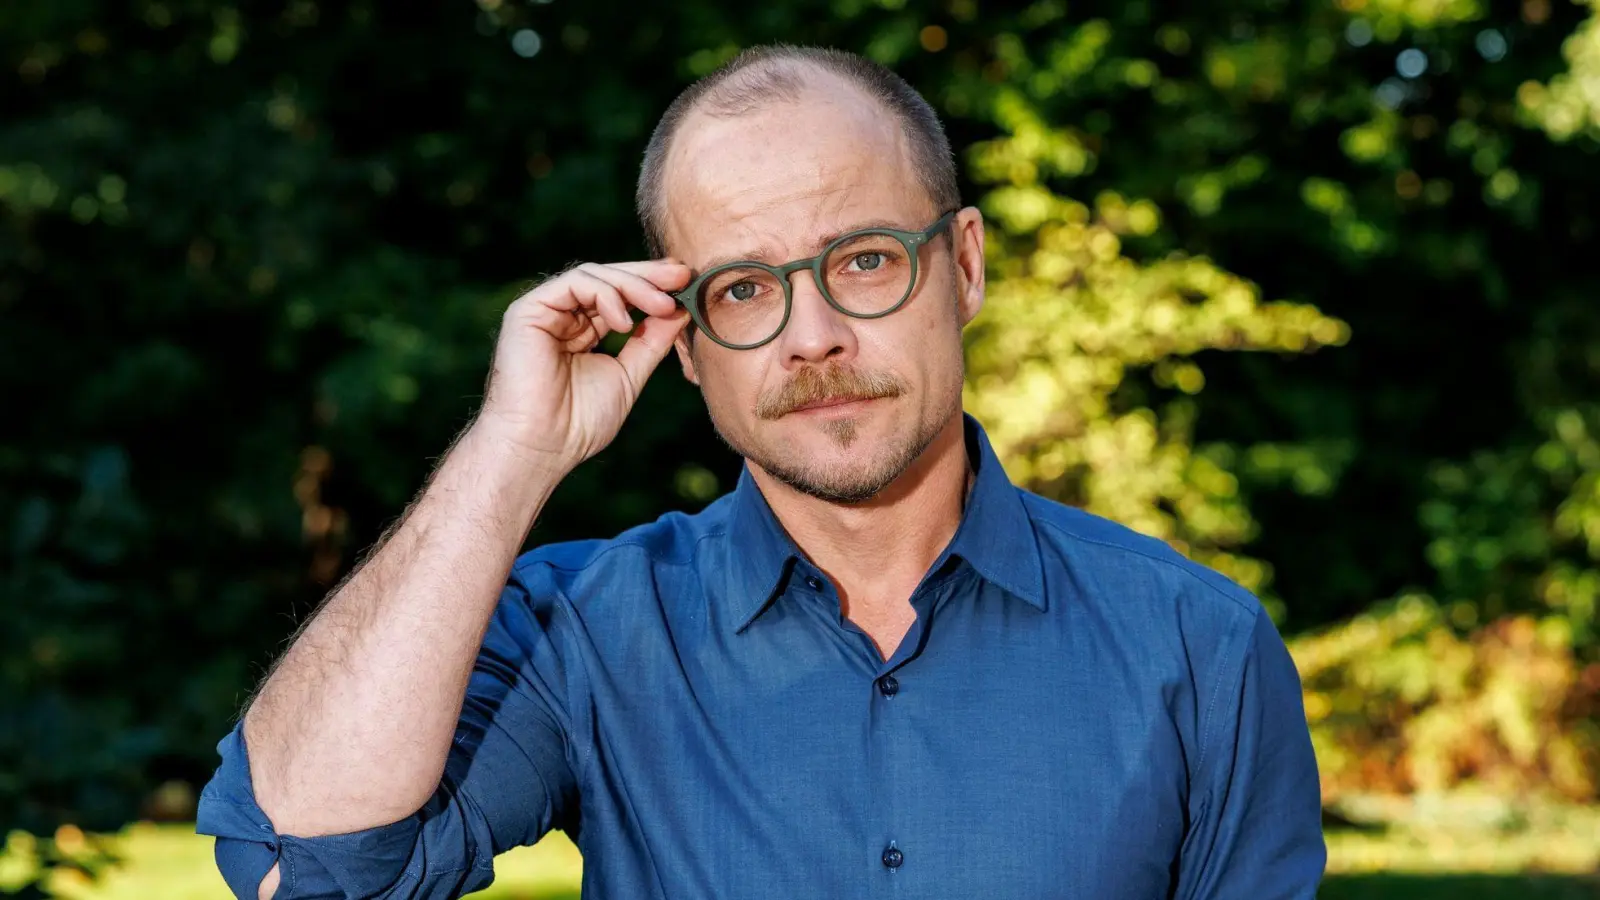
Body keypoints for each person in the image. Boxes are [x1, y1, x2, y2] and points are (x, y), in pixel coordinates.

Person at [196, 43, 1325, 900]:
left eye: (865, 261)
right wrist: (510, 452)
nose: (812, 336)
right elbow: (304, 859)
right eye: (742, 289)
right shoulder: (584, 627)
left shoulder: (1199, 647)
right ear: (681, 342)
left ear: (964, 266)